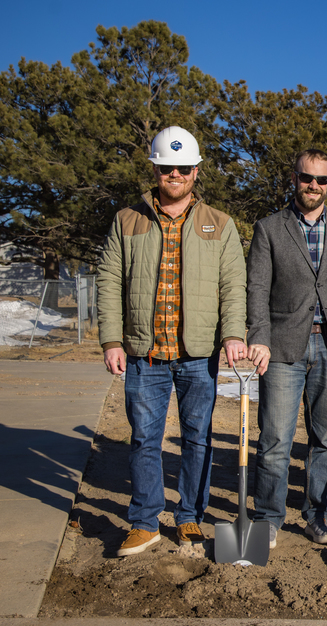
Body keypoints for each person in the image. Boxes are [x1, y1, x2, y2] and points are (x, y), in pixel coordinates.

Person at [97, 126, 248, 557]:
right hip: (145, 354)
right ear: (156, 169)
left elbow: (233, 287)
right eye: (167, 167)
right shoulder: (128, 220)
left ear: (196, 171)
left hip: (198, 356)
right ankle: (144, 522)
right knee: (144, 439)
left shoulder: (219, 225)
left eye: (183, 168)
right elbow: (108, 280)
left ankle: (189, 519)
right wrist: (111, 340)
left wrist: (233, 335)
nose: (175, 174)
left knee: (197, 439)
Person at [246, 148, 327, 549]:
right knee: (275, 440)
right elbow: (258, 290)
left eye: (321, 180)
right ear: (294, 178)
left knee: (325, 440)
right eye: (306, 178)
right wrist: (259, 338)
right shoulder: (268, 228)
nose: (313, 186)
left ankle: (319, 516)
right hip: (282, 347)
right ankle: (267, 517)